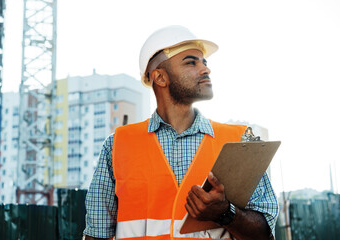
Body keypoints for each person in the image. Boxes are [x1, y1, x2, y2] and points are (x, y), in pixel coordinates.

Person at [83, 25, 279, 240]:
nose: (205, 70)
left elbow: (264, 235)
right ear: (160, 77)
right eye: (191, 62)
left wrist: (225, 213)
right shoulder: (117, 146)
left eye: (204, 62)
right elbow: (97, 234)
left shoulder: (238, 140)